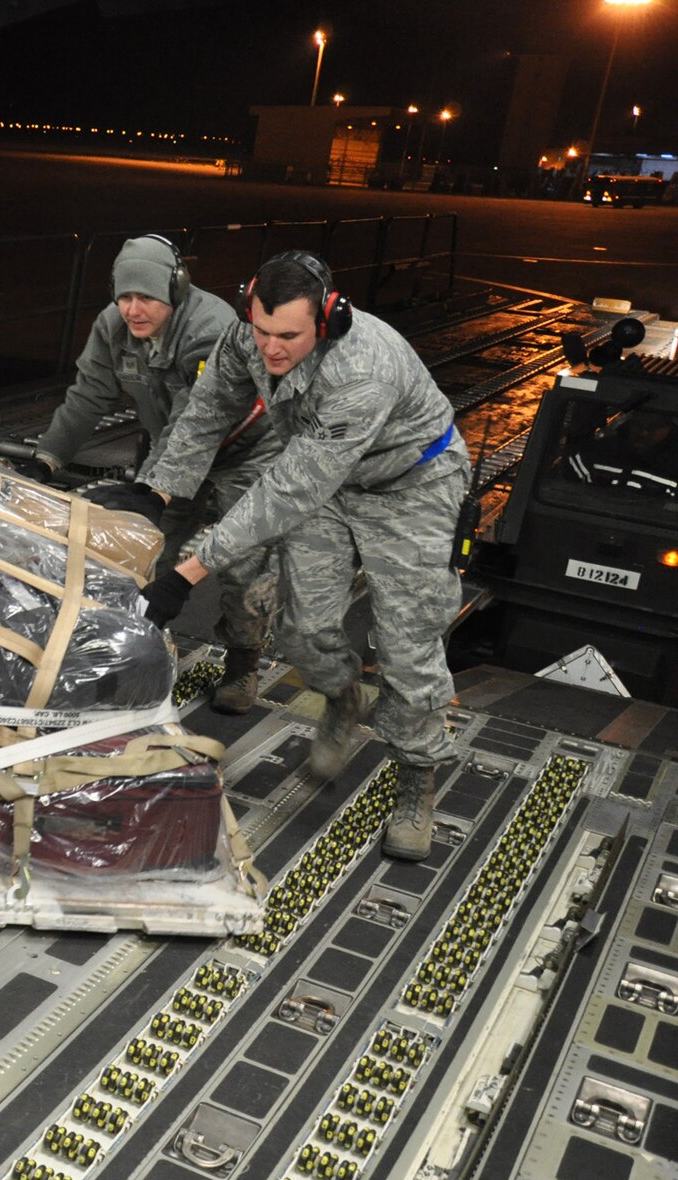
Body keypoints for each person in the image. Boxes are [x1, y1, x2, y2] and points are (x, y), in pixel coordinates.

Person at [105, 251, 469, 862]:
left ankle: (416, 775)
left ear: (327, 321)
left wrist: (186, 572)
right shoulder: (249, 337)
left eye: (288, 337)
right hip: (331, 484)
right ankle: (342, 696)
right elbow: (207, 411)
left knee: (407, 644)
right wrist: (156, 489)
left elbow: (293, 486)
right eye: (262, 331)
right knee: (303, 630)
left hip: (411, 486)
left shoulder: (363, 369)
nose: (270, 349)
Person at [23, 236, 281, 714]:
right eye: (124, 296)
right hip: (170, 447)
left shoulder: (211, 327)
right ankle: (140, 644)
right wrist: (47, 459)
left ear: (176, 290)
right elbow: (88, 396)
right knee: (146, 547)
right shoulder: (112, 327)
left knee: (245, 561)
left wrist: (153, 487)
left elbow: (197, 420)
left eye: (146, 298)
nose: (133, 310)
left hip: (242, 450)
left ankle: (244, 662)